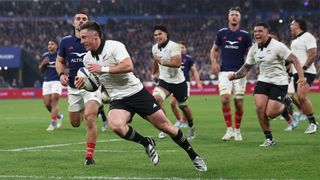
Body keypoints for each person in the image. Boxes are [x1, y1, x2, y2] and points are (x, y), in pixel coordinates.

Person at [76, 20, 207, 172]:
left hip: (137, 93)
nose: (81, 41)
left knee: (166, 127)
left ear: (96, 35)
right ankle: (146, 142)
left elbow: (128, 66)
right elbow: (97, 82)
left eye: (84, 37)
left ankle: (194, 156)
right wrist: (85, 84)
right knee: (117, 126)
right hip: (118, 99)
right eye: (81, 38)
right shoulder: (87, 59)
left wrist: (103, 68)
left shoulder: (114, 46)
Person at [228, 22, 306, 146]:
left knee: (271, 113)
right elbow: (246, 67)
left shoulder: (278, 46)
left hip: (279, 82)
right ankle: (269, 139)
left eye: (260, 31)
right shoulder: (254, 49)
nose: (257, 34)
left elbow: (294, 59)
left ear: (266, 33)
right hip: (263, 81)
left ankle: (286, 102)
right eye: (255, 31)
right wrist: (235, 76)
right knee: (260, 109)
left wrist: (301, 77)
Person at [55, 11, 101, 165]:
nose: (81, 21)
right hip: (74, 87)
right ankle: (84, 108)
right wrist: (61, 74)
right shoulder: (65, 42)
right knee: (75, 123)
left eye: (84, 19)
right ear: (73, 23)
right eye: (78, 19)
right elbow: (59, 61)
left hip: (92, 86)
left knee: (90, 117)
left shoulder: (95, 40)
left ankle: (89, 157)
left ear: (88, 23)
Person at [210, 6, 252, 141]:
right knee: (225, 99)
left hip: (239, 73)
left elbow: (251, 54)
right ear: (228, 17)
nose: (234, 16)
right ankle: (229, 130)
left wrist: (247, 68)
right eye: (232, 14)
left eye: (236, 15)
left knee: (239, 103)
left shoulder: (245, 35)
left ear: (240, 18)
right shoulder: (222, 33)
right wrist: (213, 62)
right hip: (224, 72)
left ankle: (237, 130)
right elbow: (214, 49)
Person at [151, 25, 197, 140]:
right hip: (164, 81)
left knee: (183, 106)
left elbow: (176, 63)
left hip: (178, 83)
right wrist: (154, 73)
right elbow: (155, 61)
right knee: (156, 98)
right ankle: (166, 127)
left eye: (160, 34)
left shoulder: (174, 46)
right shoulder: (154, 48)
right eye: (155, 35)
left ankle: (191, 127)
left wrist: (161, 61)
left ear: (166, 34)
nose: (157, 36)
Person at [290, 19, 318, 134]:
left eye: (292, 24)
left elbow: (313, 53)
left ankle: (312, 123)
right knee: (300, 98)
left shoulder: (307, 36)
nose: (290, 26)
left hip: (306, 71)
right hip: (297, 73)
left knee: (301, 96)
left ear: (298, 25)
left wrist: (304, 68)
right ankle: (312, 122)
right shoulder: (295, 40)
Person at [269, 31, 300, 131]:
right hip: (271, 79)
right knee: (280, 100)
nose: (272, 39)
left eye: (274, 37)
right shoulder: (268, 49)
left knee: (284, 99)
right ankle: (292, 116)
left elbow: (290, 62)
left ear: (278, 38)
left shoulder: (282, 48)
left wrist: (289, 74)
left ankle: (293, 116)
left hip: (283, 78)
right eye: (271, 37)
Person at [170, 41, 203, 128]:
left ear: (185, 49)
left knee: (183, 104)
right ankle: (178, 120)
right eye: (179, 47)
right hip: (173, 83)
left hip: (185, 83)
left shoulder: (188, 59)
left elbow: (194, 71)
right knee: (172, 103)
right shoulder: (172, 57)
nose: (181, 49)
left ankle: (185, 121)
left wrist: (198, 82)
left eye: (183, 47)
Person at [39, 40, 64, 131]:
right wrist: (43, 64)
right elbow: (40, 70)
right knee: (47, 104)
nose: (50, 46)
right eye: (49, 44)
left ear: (57, 46)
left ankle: (52, 123)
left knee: (54, 100)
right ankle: (59, 116)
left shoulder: (60, 55)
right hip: (47, 82)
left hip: (57, 81)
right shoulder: (45, 56)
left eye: (52, 44)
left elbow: (65, 66)